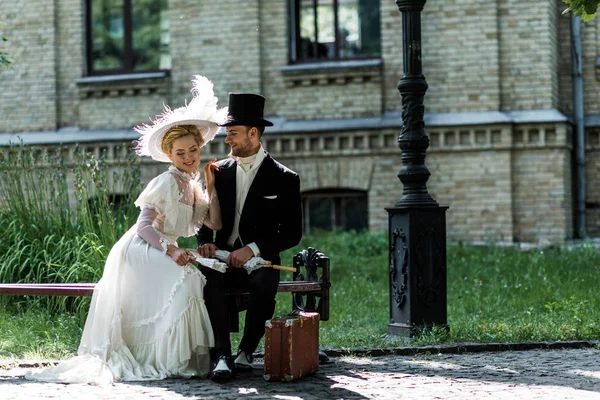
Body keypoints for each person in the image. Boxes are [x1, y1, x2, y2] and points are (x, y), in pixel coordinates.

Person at [25, 76, 228, 385]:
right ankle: (162, 356)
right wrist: (171, 250)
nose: (188, 158)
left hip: (161, 247)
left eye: (192, 151)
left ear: (199, 149)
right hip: (141, 247)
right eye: (180, 153)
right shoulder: (166, 182)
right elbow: (145, 226)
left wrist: (211, 186)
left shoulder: (193, 186)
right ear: (170, 156)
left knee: (194, 277)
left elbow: (214, 223)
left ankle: (174, 355)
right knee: (189, 277)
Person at [197, 93, 303, 381]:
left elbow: (293, 233)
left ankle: (245, 351)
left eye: (232, 133)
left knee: (263, 282)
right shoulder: (219, 172)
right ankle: (222, 355)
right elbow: (205, 217)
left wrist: (253, 249)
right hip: (220, 257)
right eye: (227, 133)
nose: (227, 140)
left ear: (253, 133)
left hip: (260, 262)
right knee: (208, 278)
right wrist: (205, 241)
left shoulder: (284, 178)